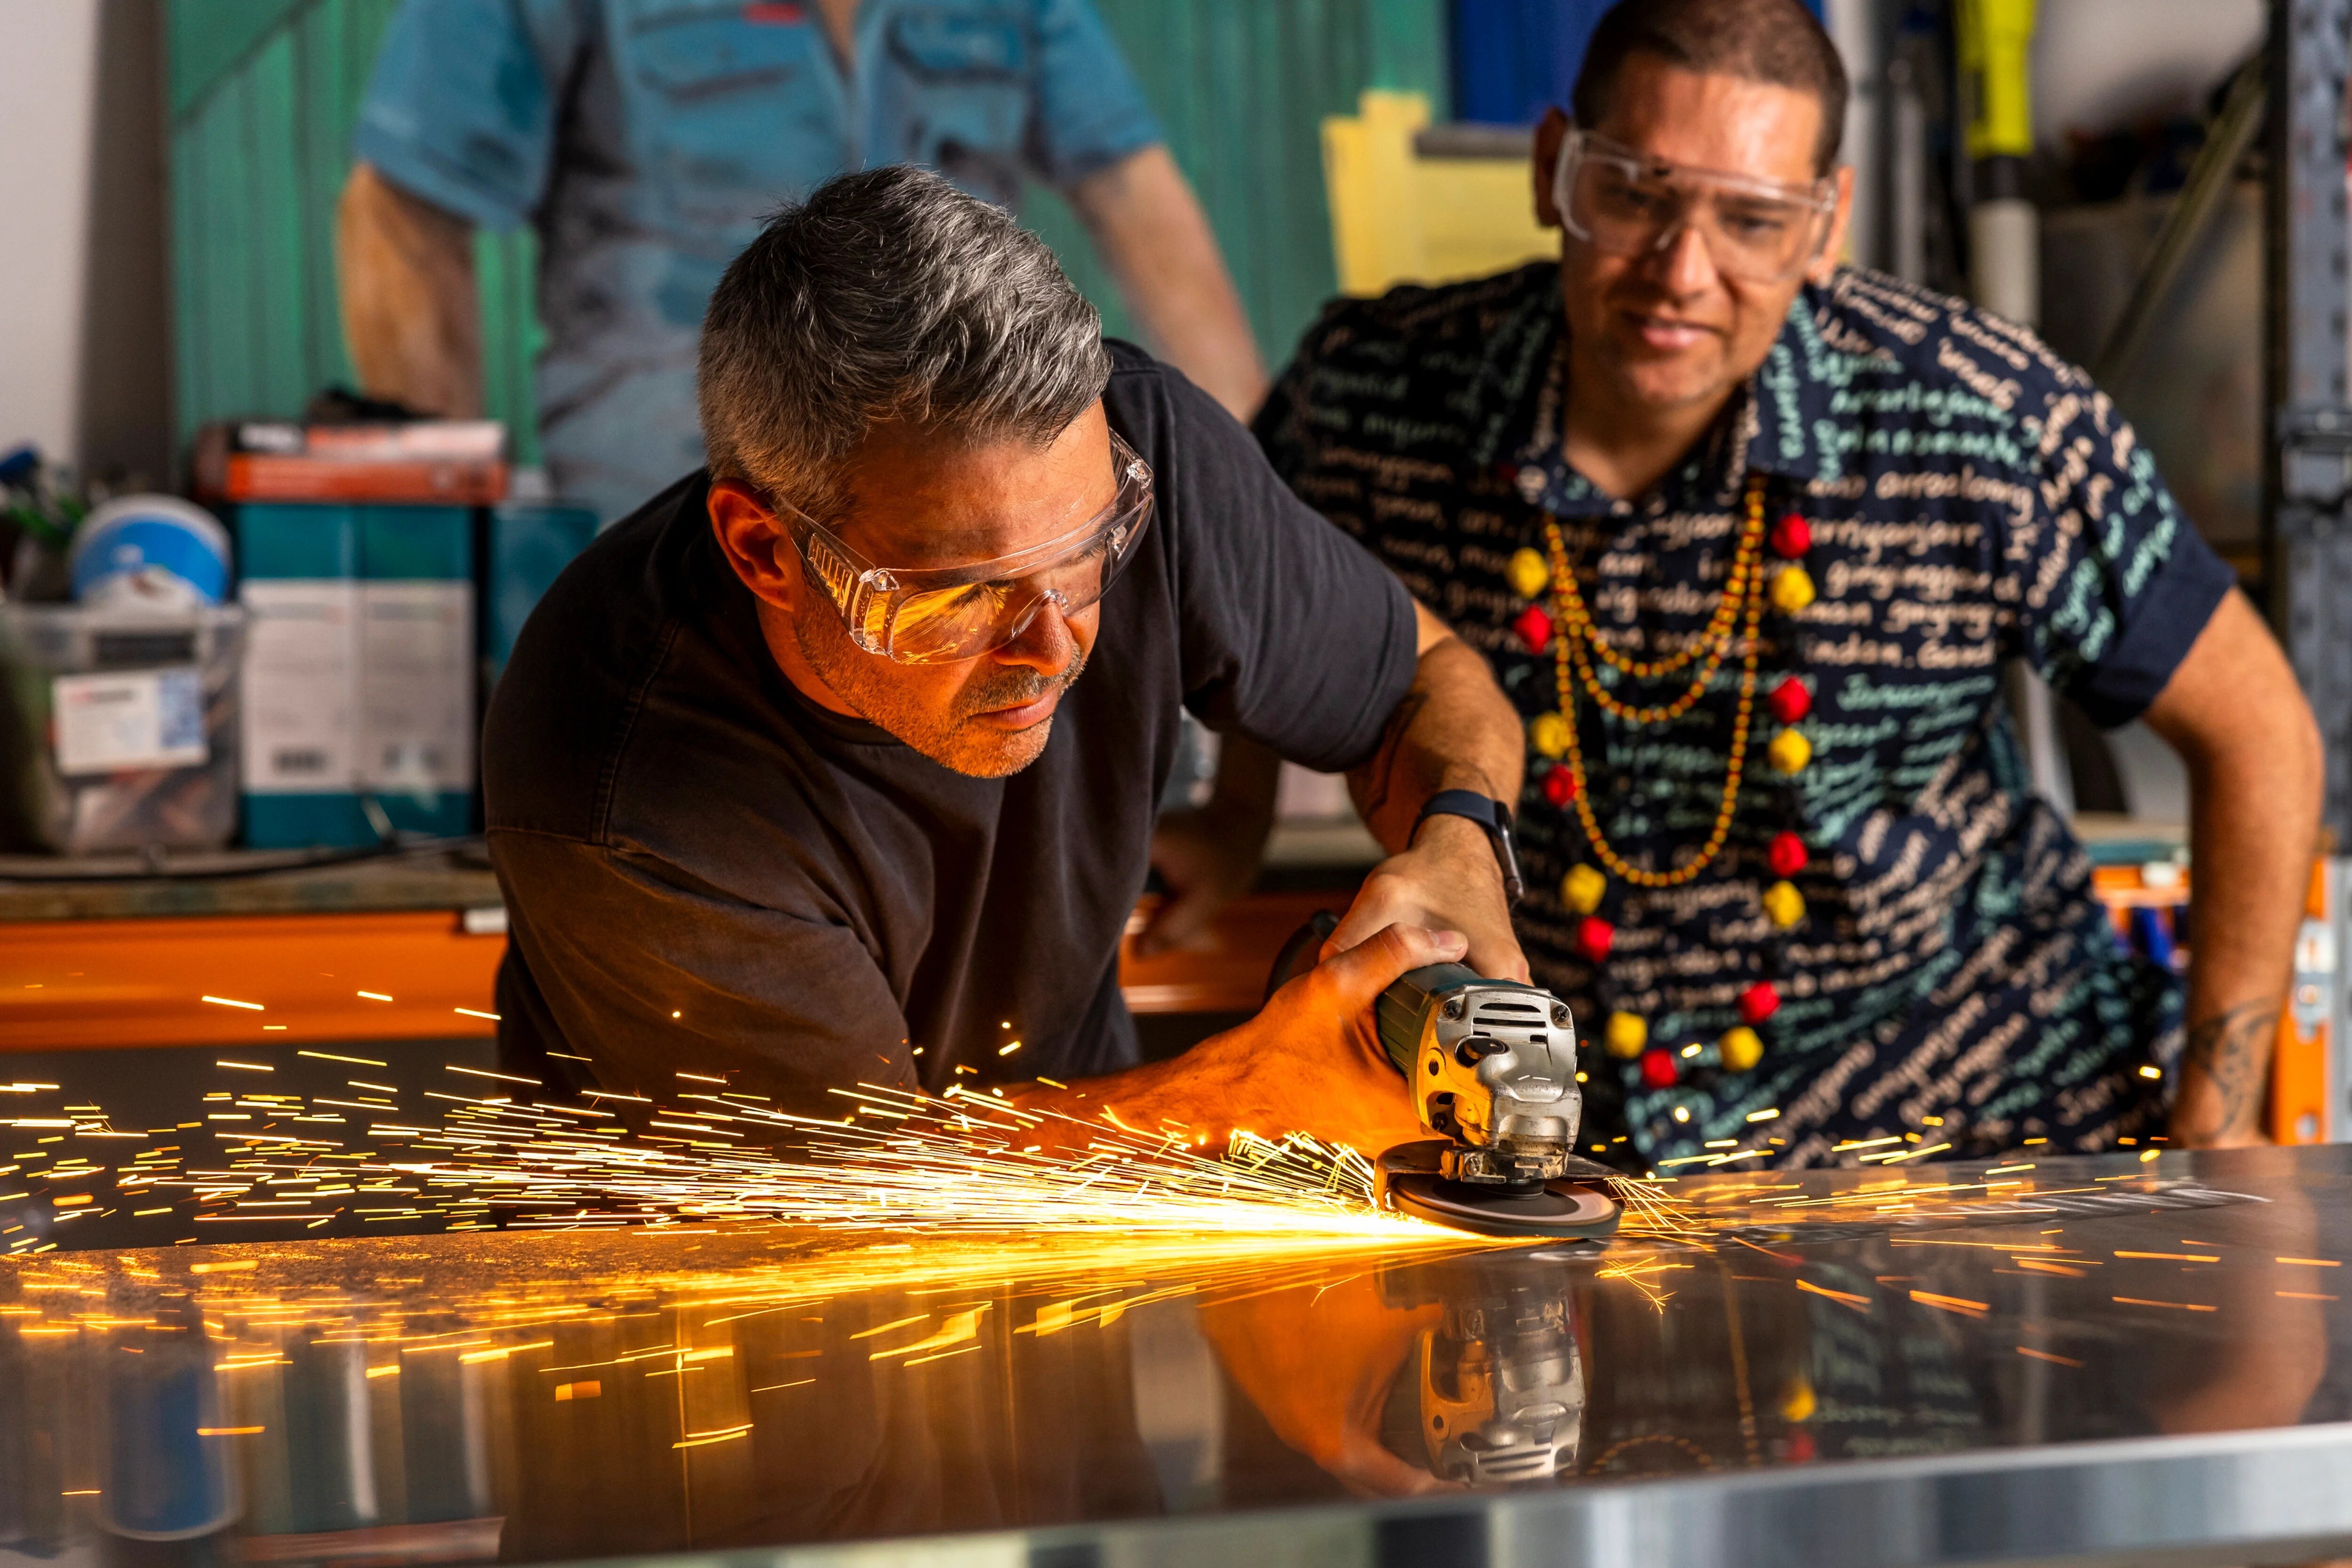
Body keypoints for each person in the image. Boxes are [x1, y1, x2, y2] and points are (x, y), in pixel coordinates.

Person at [1253, 0, 2323, 1169]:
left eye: (1753, 220)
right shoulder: (1367, 395)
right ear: (1555, 168)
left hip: (1985, 1151)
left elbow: (2260, 730)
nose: (1682, 273)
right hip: (1571, 1167)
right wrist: (1222, 822)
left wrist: (2216, 1131)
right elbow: (1235, 588)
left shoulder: (1981, 416)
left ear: (1825, 226)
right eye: (1636, 195)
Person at [480, 165, 1528, 1156]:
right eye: (964, 592)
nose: (1053, 644)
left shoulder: (1148, 452)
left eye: (1084, 559)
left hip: (1090, 1231)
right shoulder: (619, 778)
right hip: (718, 1302)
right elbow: (861, 1196)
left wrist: (1461, 837)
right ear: (765, 550)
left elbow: (1426, 679)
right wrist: (1240, 1096)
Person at [337, 0, 1265, 525]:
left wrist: (1256, 510)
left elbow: (1137, 200)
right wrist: (440, 554)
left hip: (966, 524)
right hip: (673, 519)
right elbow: (401, 217)